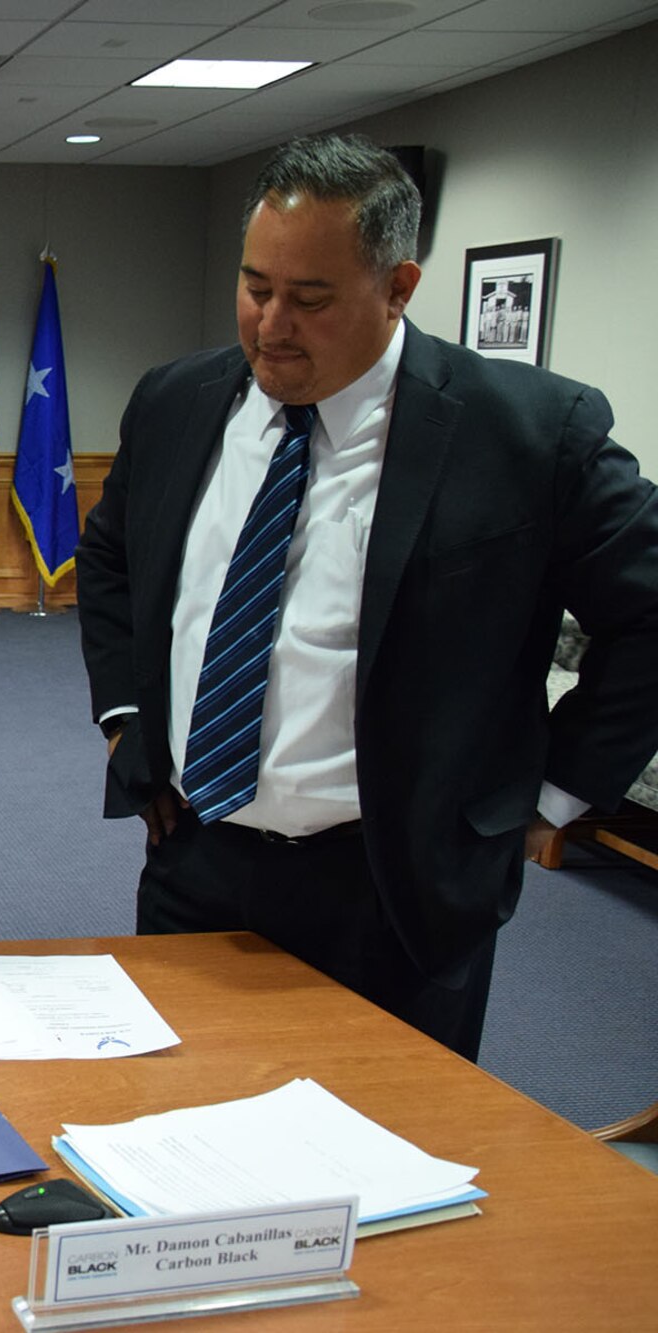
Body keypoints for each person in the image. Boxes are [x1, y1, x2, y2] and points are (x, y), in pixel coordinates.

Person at [76, 133, 658, 1061]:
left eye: (310, 300)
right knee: (180, 1127)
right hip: (196, 851)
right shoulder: (177, 400)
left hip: (396, 882)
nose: (271, 325)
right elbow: (110, 559)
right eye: (256, 286)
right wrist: (126, 718)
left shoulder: (531, 434)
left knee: (386, 1171)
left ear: (398, 288)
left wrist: (549, 798)